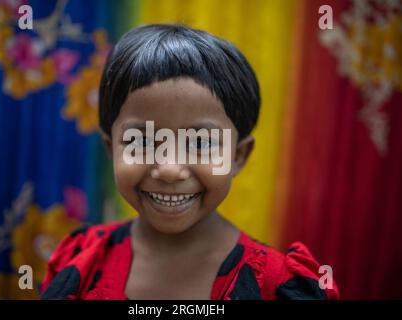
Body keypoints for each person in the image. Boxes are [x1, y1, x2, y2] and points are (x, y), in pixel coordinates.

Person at [41, 24, 339, 300]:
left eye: (200, 143)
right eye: (142, 142)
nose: (169, 170)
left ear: (238, 155)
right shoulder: (79, 264)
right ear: (112, 149)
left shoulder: (276, 286)